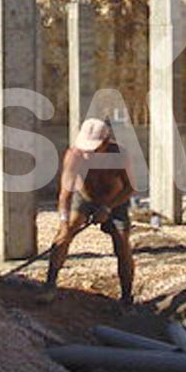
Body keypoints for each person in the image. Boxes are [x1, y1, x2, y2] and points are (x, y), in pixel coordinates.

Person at [41, 117, 136, 305]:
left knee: (122, 242)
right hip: (85, 197)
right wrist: (64, 221)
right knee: (64, 235)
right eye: (85, 149)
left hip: (114, 200)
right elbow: (65, 194)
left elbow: (130, 188)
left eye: (93, 150)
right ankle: (50, 284)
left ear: (106, 143)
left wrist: (108, 207)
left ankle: (126, 297)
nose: (87, 154)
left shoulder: (119, 155)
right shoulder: (75, 156)